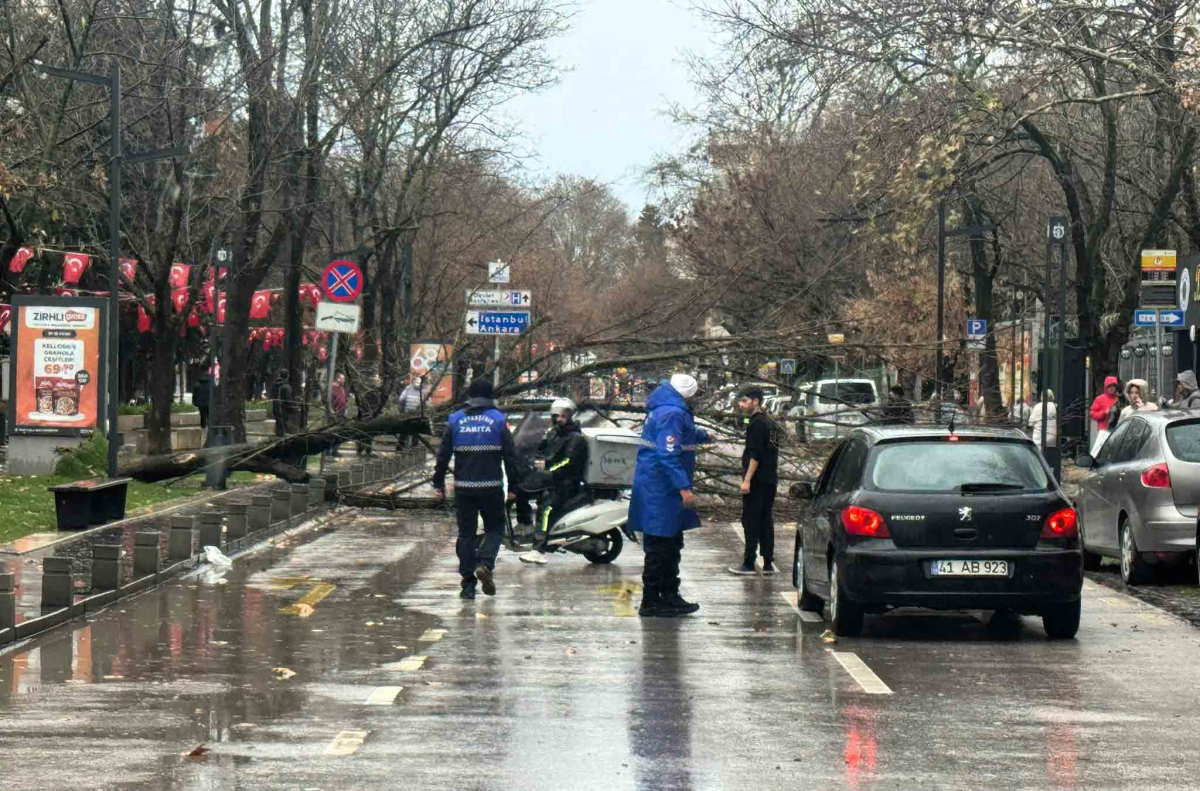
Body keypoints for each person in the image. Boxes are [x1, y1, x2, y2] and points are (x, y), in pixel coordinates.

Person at [629, 373, 711, 617]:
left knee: (669, 543)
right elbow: (668, 454)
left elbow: (680, 434)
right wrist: (683, 487)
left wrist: (702, 435)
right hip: (661, 490)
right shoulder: (672, 413)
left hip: (657, 487)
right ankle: (654, 600)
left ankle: (668, 595)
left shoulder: (665, 409)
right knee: (660, 546)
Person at [433, 378, 521, 600]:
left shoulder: (455, 421)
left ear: (470, 397)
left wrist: (438, 483)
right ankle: (485, 562)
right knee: (495, 528)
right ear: (490, 396)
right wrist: (514, 486)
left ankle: (467, 584)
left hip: (464, 489)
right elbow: (511, 456)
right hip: (491, 487)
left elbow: (443, 455)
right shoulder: (499, 421)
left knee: (466, 534)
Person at [525, 398, 590, 549]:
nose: (559, 419)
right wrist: (530, 458)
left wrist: (547, 467)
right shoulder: (553, 433)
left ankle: (539, 547)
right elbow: (539, 449)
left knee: (546, 508)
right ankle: (524, 527)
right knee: (520, 491)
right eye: (557, 416)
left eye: (563, 416)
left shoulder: (576, 438)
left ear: (570, 418)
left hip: (565, 483)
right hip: (549, 479)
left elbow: (568, 462)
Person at [729, 386, 780, 576]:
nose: (741, 405)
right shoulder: (770, 423)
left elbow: (755, 456)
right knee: (765, 519)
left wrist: (747, 480)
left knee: (750, 520)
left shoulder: (757, 424)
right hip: (770, 479)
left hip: (757, 481)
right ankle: (767, 562)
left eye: (744, 401)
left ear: (755, 401)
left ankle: (749, 563)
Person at [1089, 375, 1119, 455]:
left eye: (1113, 386)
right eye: (1109, 386)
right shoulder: (1099, 399)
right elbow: (1092, 413)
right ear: (1105, 387)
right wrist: (1104, 413)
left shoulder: (1118, 399)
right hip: (1103, 430)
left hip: (1116, 430)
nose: (1111, 388)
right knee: (1100, 451)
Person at [270, 370, 292, 437]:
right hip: (283, 408)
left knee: (279, 425)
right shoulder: (287, 386)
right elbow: (288, 400)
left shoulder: (275, 385)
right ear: (288, 376)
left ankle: (277, 438)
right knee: (283, 425)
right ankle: (282, 441)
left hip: (275, 408)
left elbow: (272, 395)